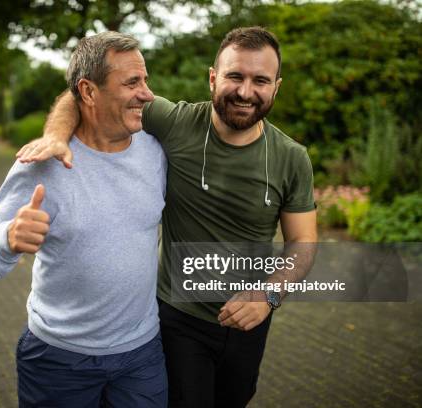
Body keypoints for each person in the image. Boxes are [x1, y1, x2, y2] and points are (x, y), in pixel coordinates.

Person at [16, 26, 318, 407]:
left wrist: (269, 295)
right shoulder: (176, 123)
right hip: (178, 319)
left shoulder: (292, 158)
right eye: (234, 76)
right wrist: (57, 138)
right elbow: (86, 94)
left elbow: (303, 243)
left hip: (250, 319)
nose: (245, 91)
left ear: (276, 86)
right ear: (213, 78)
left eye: (260, 80)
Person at [0, 31, 168, 407]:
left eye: (145, 79)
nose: (147, 93)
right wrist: (8, 238)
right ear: (89, 92)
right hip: (58, 360)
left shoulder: (157, 149)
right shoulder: (43, 163)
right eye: (131, 83)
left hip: (141, 354)